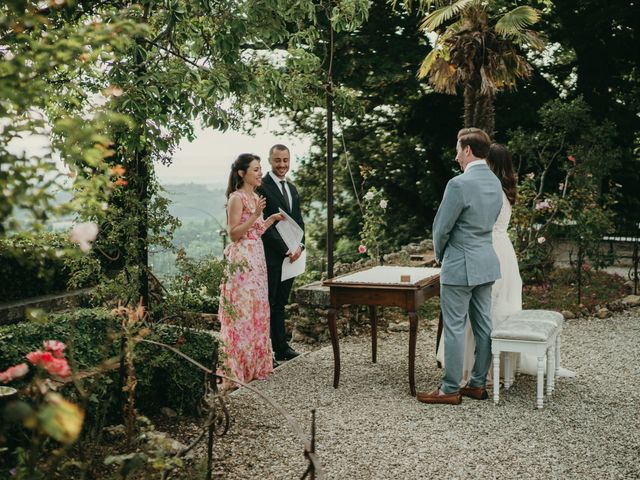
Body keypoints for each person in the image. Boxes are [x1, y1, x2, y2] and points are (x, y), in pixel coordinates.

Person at [436, 143, 575, 380]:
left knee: (481, 314)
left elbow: (465, 226)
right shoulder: (504, 190)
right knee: (492, 311)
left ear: (490, 163)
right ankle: (488, 370)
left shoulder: (486, 191)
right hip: (501, 254)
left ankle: (472, 371)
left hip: (483, 250)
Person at [417, 128, 503, 405]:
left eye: (457, 149)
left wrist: (442, 256)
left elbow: (441, 228)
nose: (456, 155)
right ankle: (477, 384)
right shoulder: (495, 182)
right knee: (483, 325)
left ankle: (450, 388)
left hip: (460, 263)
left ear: (467, 150)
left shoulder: (458, 184)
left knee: (454, 326)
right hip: (486, 262)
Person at [217, 153, 284, 389]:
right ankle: (234, 372)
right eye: (255, 169)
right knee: (242, 312)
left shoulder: (256, 197)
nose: (260, 173)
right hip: (242, 261)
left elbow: (256, 231)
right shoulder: (237, 198)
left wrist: (270, 220)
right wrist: (256, 215)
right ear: (242, 173)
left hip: (257, 259)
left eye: (260, 169)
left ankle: (253, 367)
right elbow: (234, 233)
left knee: (257, 310)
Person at [257, 144, 305, 363]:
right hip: (272, 255)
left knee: (281, 303)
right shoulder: (262, 187)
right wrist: (285, 249)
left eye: (285, 160)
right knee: (269, 303)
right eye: (278, 160)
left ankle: (282, 348)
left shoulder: (292, 188)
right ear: (270, 160)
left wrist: (300, 246)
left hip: (293, 256)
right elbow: (263, 226)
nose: (282, 165)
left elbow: (298, 220)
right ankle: (267, 353)